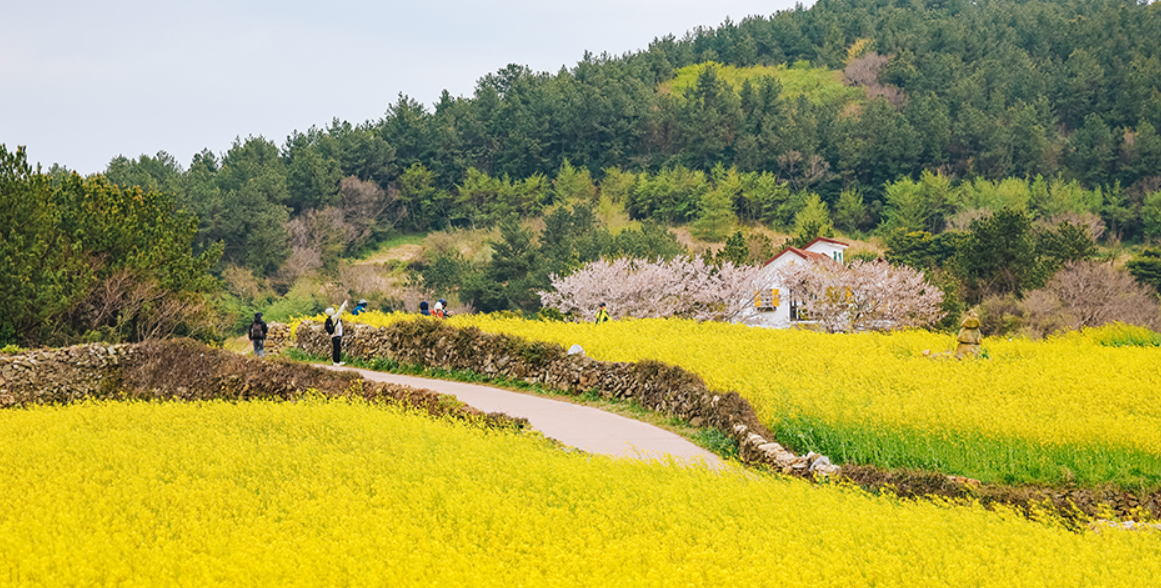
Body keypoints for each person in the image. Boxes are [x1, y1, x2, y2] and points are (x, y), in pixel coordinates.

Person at [324, 300, 349, 366]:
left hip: (335, 335)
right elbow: (339, 312)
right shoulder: (333, 318)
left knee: (337, 348)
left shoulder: (332, 318)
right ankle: (336, 362)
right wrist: (343, 304)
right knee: (336, 348)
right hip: (335, 335)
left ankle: (337, 361)